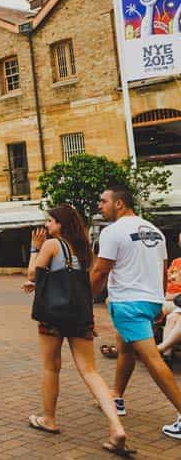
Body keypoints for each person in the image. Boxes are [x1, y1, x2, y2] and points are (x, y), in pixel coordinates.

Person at [22, 205, 129, 454]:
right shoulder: (84, 250)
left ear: (61, 224)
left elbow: (32, 274)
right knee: (90, 371)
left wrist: (34, 248)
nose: (47, 226)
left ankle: (49, 419)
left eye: (50, 221)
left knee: (51, 366)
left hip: (53, 316)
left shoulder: (51, 245)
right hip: (79, 315)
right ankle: (116, 426)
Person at [90, 184, 181, 440]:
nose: (100, 205)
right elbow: (163, 270)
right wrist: (158, 302)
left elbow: (100, 271)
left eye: (103, 200)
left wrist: (83, 300)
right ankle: (117, 397)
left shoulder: (112, 231)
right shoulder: (154, 231)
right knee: (125, 348)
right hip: (150, 300)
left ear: (119, 203)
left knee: (152, 359)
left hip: (128, 303)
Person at [157, 234, 181, 357]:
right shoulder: (176, 262)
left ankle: (160, 350)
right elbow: (166, 280)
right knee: (150, 311)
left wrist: (170, 297)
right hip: (169, 300)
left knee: (173, 318)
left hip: (176, 301)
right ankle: (163, 354)